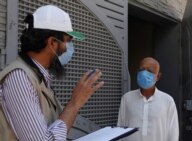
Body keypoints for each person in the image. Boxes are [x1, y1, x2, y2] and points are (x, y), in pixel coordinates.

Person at [0, 5, 104, 141]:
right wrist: (75, 103)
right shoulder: (20, 77)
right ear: (52, 42)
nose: (68, 49)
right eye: (67, 41)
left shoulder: (38, 76)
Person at [117, 57, 179, 141]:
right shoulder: (127, 98)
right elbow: (120, 129)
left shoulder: (168, 101)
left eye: (149, 71)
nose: (144, 73)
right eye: (141, 70)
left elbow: (173, 133)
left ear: (158, 76)